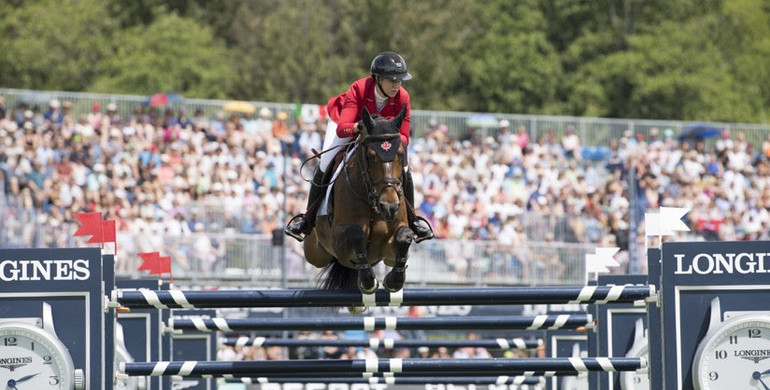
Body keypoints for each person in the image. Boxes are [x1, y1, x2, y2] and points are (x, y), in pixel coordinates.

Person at [285, 51, 433, 243]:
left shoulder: (403, 96)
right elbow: (342, 128)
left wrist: (384, 144)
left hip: (379, 140)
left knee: (404, 168)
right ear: (378, 79)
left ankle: (413, 221)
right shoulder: (360, 88)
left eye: (400, 81)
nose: (397, 85)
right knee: (326, 163)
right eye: (392, 80)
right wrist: (358, 127)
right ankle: (307, 220)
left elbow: (404, 136)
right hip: (345, 125)